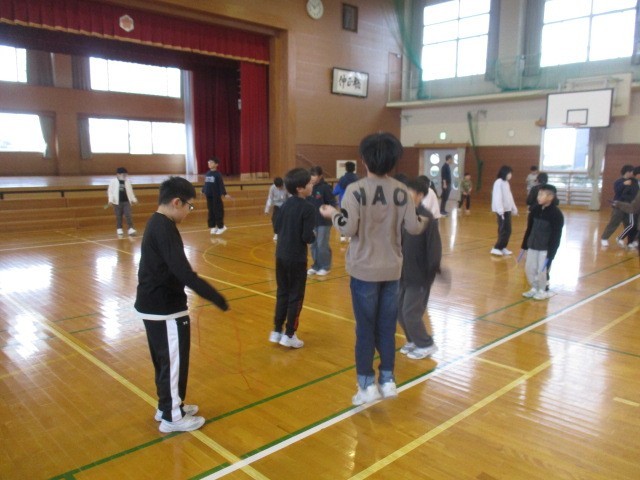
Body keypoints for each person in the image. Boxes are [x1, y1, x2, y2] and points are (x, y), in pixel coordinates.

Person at [320, 132, 427, 406]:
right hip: (392, 270)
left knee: (365, 329)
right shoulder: (402, 191)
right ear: (393, 161)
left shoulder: (355, 190)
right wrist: (426, 220)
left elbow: (348, 228)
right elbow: (414, 227)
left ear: (364, 159)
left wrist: (333, 214)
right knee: (387, 328)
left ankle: (367, 385)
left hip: (364, 270)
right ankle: (388, 380)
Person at [134, 176, 229, 433]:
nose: (189, 211)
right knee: (174, 362)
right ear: (177, 202)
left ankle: (167, 405)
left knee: (164, 361)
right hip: (165, 308)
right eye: (189, 206)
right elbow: (184, 272)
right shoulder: (164, 228)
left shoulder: (157, 222)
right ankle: (172, 417)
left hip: (153, 304)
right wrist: (216, 297)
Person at [269, 168, 316, 348]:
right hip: (296, 258)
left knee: (282, 293)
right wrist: (313, 236)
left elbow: (276, 228)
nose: (312, 186)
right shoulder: (308, 208)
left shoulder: (284, 205)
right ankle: (289, 334)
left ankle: (276, 331)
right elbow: (307, 237)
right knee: (296, 296)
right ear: (300, 188)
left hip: (281, 255)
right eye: (309, 183)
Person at [397, 178, 441, 360]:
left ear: (420, 195)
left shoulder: (427, 218)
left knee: (410, 312)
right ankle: (413, 340)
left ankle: (426, 344)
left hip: (419, 276)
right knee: (399, 311)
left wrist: (430, 272)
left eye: (409, 192)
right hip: (402, 273)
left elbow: (434, 248)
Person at [520, 184, 564, 301]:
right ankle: (534, 288)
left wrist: (551, 254)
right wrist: (524, 246)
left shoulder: (556, 214)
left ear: (550, 197)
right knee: (529, 268)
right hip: (532, 246)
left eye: (542, 195)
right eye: (538, 194)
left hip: (545, 248)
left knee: (542, 270)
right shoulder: (535, 210)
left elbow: (556, 236)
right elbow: (529, 229)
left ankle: (542, 290)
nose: (538, 197)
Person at [307, 166, 337, 276]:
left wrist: (328, 210)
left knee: (322, 244)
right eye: (311, 175)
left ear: (320, 176)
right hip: (312, 222)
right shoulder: (309, 187)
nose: (312, 177)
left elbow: (333, 203)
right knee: (313, 245)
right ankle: (316, 265)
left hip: (324, 222)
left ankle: (325, 266)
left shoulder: (325, 188)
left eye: (314, 175)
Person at [600, 164, 635, 247]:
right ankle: (604, 238)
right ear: (627, 172)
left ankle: (621, 239)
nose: (633, 173)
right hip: (619, 206)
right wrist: (624, 184)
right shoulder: (619, 181)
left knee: (630, 225)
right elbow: (617, 191)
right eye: (632, 172)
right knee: (614, 223)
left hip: (629, 207)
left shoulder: (633, 182)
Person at [491, 165, 518, 256]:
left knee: (508, 230)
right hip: (502, 211)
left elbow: (510, 197)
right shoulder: (498, 182)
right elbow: (497, 196)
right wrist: (500, 210)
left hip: (507, 210)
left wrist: (514, 208)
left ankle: (502, 247)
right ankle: (496, 248)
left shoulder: (506, 183)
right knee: (503, 230)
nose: (510, 175)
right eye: (509, 173)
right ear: (505, 173)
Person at [203, 157, 231, 235]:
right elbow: (206, 183)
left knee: (217, 211)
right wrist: (203, 190)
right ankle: (212, 226)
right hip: (209, 196)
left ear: (216, 164)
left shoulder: (218, 174)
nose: (209, 164)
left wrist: (224, 193)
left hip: (216, 196)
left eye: (211, 162)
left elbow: (221, 185)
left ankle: (221, 227)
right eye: (208, 162)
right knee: (210, 211)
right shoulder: (207, 173)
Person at [107, 167, 138, 236]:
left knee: (128, 215)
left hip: (126, 201)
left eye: (125, 175)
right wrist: (110, 200)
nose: (124, 176)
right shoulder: (113, 182)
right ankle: (119, 228)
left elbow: (130, 192)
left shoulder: (127, 181)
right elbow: (110, 192)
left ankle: (130, 228)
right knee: (118, 216)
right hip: (117, 202)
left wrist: (134, 199)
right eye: (123, 174)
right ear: (118, 174)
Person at [333, 161, 358, 242]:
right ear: (354, 169)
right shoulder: (358, 179)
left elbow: (335, 192)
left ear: (346, 169)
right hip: (355, 203)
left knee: (343, 219)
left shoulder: (342, 179)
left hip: (343, 203)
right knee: (354, 220)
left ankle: (343, 237)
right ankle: (352, 237)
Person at [614, 166, 639, 248]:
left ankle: (632, 242)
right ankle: (620, 238)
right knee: (632, 224)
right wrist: (632, 201)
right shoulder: (632, 182)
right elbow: (624, 194)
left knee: (636, 225)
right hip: (632, 206)